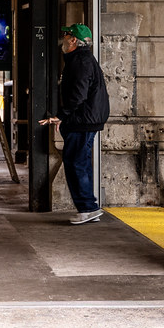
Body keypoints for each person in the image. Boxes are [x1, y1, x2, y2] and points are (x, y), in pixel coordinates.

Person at [40, 23, 110, 225]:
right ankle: (89, 207)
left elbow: (78, 94)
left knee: (75, 162)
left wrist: (62, 115)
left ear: (73, 40)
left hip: (83, 120)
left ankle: (88, 207)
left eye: (66, 34)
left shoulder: (80, 61)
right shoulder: (81, 59)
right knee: (80, 161)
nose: (62, 38)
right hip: (86, 119)